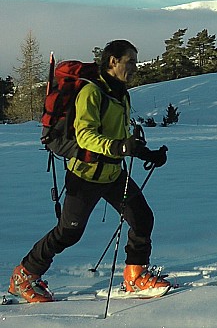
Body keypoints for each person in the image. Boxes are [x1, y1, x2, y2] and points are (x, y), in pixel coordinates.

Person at [8, 40, 169, 303]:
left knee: (142, 218)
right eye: (130, 62)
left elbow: (121, 136)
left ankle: (135, 276)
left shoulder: (120, 93)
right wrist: (119, 147)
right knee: (68, 232)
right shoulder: (92, 93)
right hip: (85, 174)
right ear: (113, 61)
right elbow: (85, 137)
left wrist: (144, 153)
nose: (135, 68)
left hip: (113, 174)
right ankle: (24, 275)